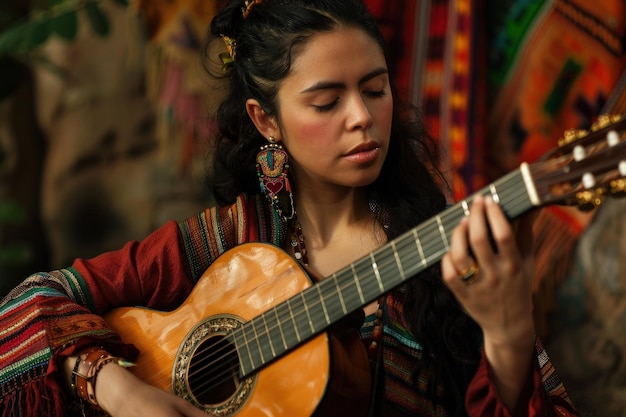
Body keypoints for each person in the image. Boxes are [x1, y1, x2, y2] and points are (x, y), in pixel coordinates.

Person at [0, 0, 579, 416]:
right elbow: (29, 303)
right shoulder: (227, 240)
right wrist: (117, 388)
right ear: (266, 120)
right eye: (327, 101)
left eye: (375, 90)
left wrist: (506, 336)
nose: (360, 117)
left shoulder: (443, 251)